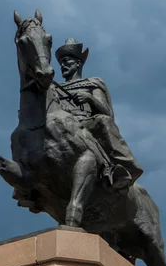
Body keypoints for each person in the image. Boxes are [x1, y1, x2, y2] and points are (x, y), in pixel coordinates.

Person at [54, 38, 143, 189]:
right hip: (61, 127)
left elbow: (106, 112)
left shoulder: (93, 83)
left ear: (78, 63)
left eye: (66, 60)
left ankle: (121, 168)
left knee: (103, 121)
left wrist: (89, 98)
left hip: (86, 124)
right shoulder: (54, 88)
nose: (62, 64)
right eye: (61, 62)